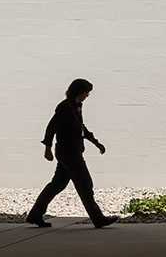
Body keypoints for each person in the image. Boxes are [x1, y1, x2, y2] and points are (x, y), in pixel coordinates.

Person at [26, 78, 117, 228]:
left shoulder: (76, 107)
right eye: (86, 93)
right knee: (85, 184)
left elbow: (81, 127)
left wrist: (94, 141)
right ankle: (98, 218)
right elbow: (52, 127)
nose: (87, 96)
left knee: (56, 185)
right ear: (79, 91)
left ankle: (35, 215)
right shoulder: (65, 107)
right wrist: (47, 147)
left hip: (72, 152)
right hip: (68, 153)